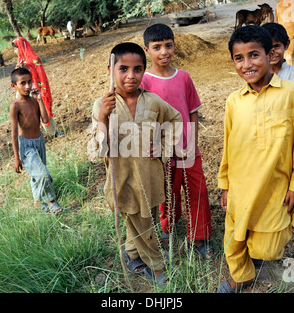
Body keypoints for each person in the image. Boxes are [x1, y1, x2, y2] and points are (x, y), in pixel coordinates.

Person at [216, 26, 294, 293]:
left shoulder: (292, 93)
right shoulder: (234, 101)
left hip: (274, 189)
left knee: (268, 249)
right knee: (234, 241)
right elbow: (228, 144)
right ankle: (240, 277)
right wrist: (225, 184)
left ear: (270, 54)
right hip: (240, 186)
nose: (247, 64)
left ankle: (258, 256)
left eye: (254, 55)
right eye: (239, 58)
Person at [90, 42, 182, 282]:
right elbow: (98, 147)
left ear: (144, 70)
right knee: (140, 220)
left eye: (138, 69)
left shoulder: (152, 101)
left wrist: (164, 145)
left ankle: (132, 253)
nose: (131, 76)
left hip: (149, 175)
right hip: (121, 178)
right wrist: (102, 117)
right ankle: (156, 264)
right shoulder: (102, 105)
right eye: (123, 69)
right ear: (110, 69)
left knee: (144, 216)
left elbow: (175, 118)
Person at [140, 23, 214, 259]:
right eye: (157, 47)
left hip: (188, 148)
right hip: (162, 153)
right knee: (167, 194)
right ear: (147, 50)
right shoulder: (144, 82)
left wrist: (192, 143)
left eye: (168, 46)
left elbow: (193, 111)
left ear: (174, 46)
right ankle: (167, 229)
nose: (164, 52)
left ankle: (199, 237)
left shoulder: (183, 77)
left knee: (198, 190)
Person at [10, 67, 62, 214]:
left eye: (29, 82)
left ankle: (36, 202)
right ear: (14, 86)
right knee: (42, 174)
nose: (27, 86)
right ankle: (52, 201)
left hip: (39, 141)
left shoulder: (34, 101)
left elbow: (45, 120)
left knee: (36, 174)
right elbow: (14, 133)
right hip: (26, 145)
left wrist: (40, 100)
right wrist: (16, 157)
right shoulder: (15, 106)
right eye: (22, 83)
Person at [12, 37, 64, 137]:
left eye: (15, 49)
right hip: (24, 92)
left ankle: (54, 132)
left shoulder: (33, 60)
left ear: (22, 48)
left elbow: (39, 74)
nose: (15, 52)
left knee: (42, 109)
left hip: (35, 90)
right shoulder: (20, 60)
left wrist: (28, 68)